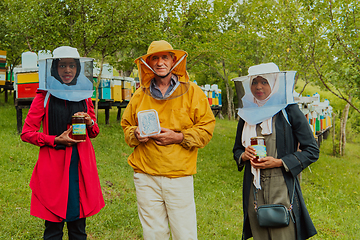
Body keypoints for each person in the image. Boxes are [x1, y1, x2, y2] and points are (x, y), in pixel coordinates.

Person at [121, 40, 215, 240]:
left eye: (165, 57)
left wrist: (179, 137)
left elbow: (206, 128)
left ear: (174, 61)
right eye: (155, 58)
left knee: (185, 233)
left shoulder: (192, 92)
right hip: (145, 175)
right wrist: (136, 134)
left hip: (178, 175)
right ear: (148, 63)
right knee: (153, 234)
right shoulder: (139, 95)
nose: (160, 62)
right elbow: (126, 126)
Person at [21, 46, 104, 239]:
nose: (67, 70)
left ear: (78, 69)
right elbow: (27, 133)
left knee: (78, 229)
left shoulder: (85, 94)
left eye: (72, 66)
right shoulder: (44, 96)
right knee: (52, 230)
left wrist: (90, 121)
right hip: (53, 165)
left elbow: (94, 132)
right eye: (62, 66)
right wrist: (54, 139)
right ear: (54, 69)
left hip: (81, 164)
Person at [232, 63, 319, 240]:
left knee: (283, 233)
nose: (258, 87)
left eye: (264, 82)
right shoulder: (247, 112)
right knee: (260, 233)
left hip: (281, 184)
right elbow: (237, 149)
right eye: (254, 82)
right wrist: (243, 155)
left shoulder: (288, 109)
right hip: (254, 185)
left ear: (275, 83)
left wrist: (280, 162)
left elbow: (312, 150)